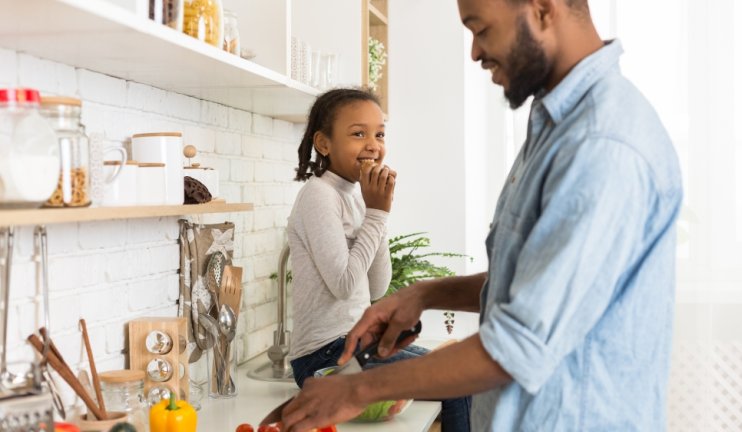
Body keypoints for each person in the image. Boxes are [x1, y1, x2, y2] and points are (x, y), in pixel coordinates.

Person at [280, 0, 683, 431]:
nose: (474, 52)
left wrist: (357, 389)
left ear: (543, 10)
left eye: (481, 29)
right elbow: (533, 283)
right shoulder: (557, 128)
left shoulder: (601, 144)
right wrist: (424, 293)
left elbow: (519, 342)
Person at [285, 88, 471, 431]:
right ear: (324, 144)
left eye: (379, 134)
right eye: (358, 134)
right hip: (323, 357)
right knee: (454, 385)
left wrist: (377, 212)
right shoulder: (318, 195)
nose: (373, 144)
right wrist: (377, 214)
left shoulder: (353, 197)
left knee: (458, 374)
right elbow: (343, 285)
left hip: (354, 345)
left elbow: (377, 285)